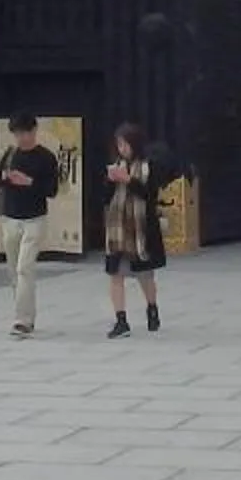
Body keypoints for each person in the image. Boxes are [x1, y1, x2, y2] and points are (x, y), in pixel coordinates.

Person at [0, 112, 60, 338]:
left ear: (34, 131)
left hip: (35, 219)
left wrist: (29, 182)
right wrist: (6, 178)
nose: (21, 138)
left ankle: (22, 320)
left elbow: (52, 190)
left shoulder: (46, 158)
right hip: (10, 218)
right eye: (17, 134)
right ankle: (25, 315)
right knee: (14, 270)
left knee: (25, 268)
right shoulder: (10, 155)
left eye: (25, 133)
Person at [102, 122, 168, 338]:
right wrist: (111, 181)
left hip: (140, 230)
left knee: (144, 275)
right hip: (117, 230)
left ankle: (152, 307)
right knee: (115, 274)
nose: (122, 149)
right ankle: (121, 320)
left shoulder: (149, 166)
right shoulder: (116, 165)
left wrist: (129, 180)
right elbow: (105, 198)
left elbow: (149, 196)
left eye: (125, 144)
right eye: (119, 145)